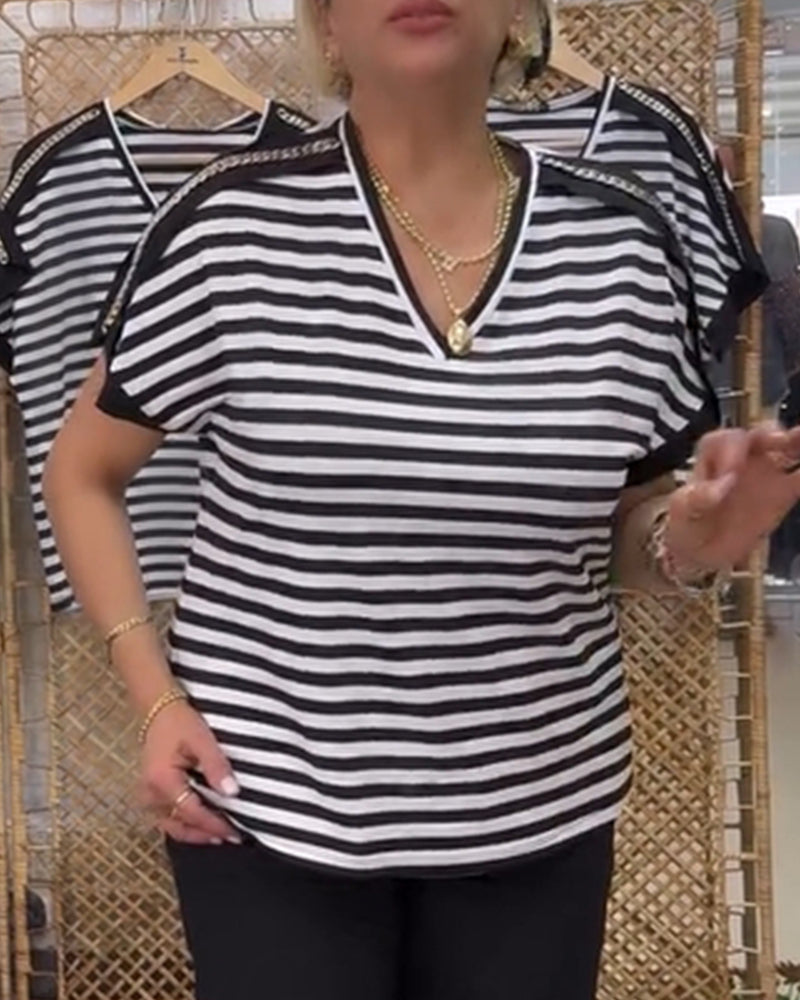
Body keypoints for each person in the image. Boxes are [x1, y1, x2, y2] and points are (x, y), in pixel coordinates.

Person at [42, 2, 800, 998]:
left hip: (536, 811)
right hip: (264, 804)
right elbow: (82, 472)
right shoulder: (224, 227)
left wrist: (698, 533)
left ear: (515, 14)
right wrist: (154, 696)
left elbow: (631, 531)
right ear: (326, 24)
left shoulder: (622, 244)